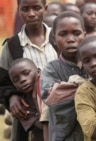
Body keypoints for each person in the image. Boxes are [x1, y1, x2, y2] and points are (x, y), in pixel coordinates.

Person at [0, 0, 58, 141]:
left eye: (36, 8)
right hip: (31, 120)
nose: (31, 14)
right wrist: (11, 97)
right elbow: (2, 81)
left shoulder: (58, 37)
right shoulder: (12, 46)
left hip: (63, 112)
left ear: (45, 9)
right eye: (25, 9)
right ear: (19, 10)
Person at [40, 11, 88, 141]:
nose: (71, 39)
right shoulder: (51, 69)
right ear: (54, 39)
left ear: (85, 35)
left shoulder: (95, 63)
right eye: (63, 34)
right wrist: (89, 88)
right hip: (64, 136)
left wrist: (69, 89)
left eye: (76, 33)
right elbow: (52, 97)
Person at [8, 58, 43, 141]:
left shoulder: (53, 88)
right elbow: (45, 126)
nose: (22, 80)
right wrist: (35, 99)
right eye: (16, 80)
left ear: (38, 72)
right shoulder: (22, 105)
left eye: (26, 73)